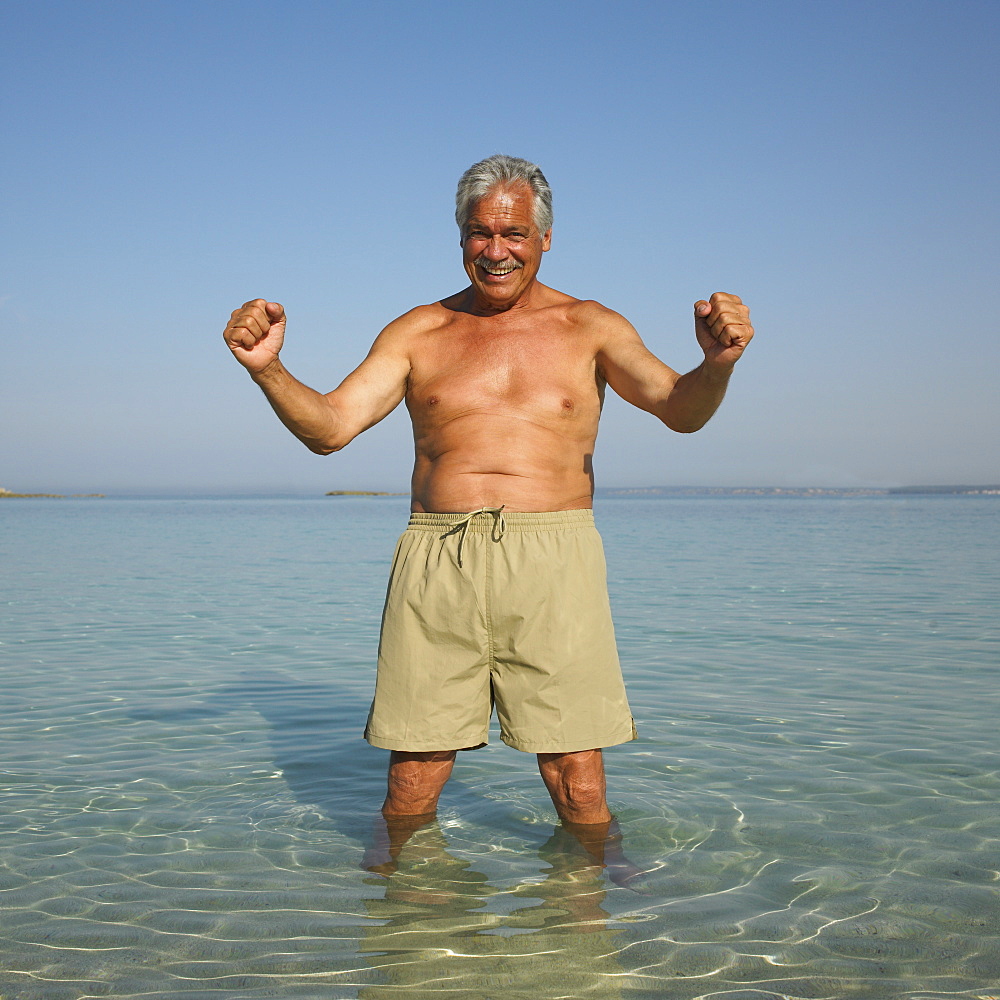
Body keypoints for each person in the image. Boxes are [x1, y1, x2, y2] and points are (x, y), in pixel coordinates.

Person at [223, 154, 753, 839]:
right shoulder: (419, 331)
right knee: (413, 773)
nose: (496, 251)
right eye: (481, 234)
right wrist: (269, 371)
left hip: (554, 555)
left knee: (577, 772)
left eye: (514, 234)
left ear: (545, 238)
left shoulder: (591, 327)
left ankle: (584, 916)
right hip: (437, 555)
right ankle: (405, 917)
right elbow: (330, 429)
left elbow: (681, 410)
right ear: (461, 236)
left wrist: (716, 366)